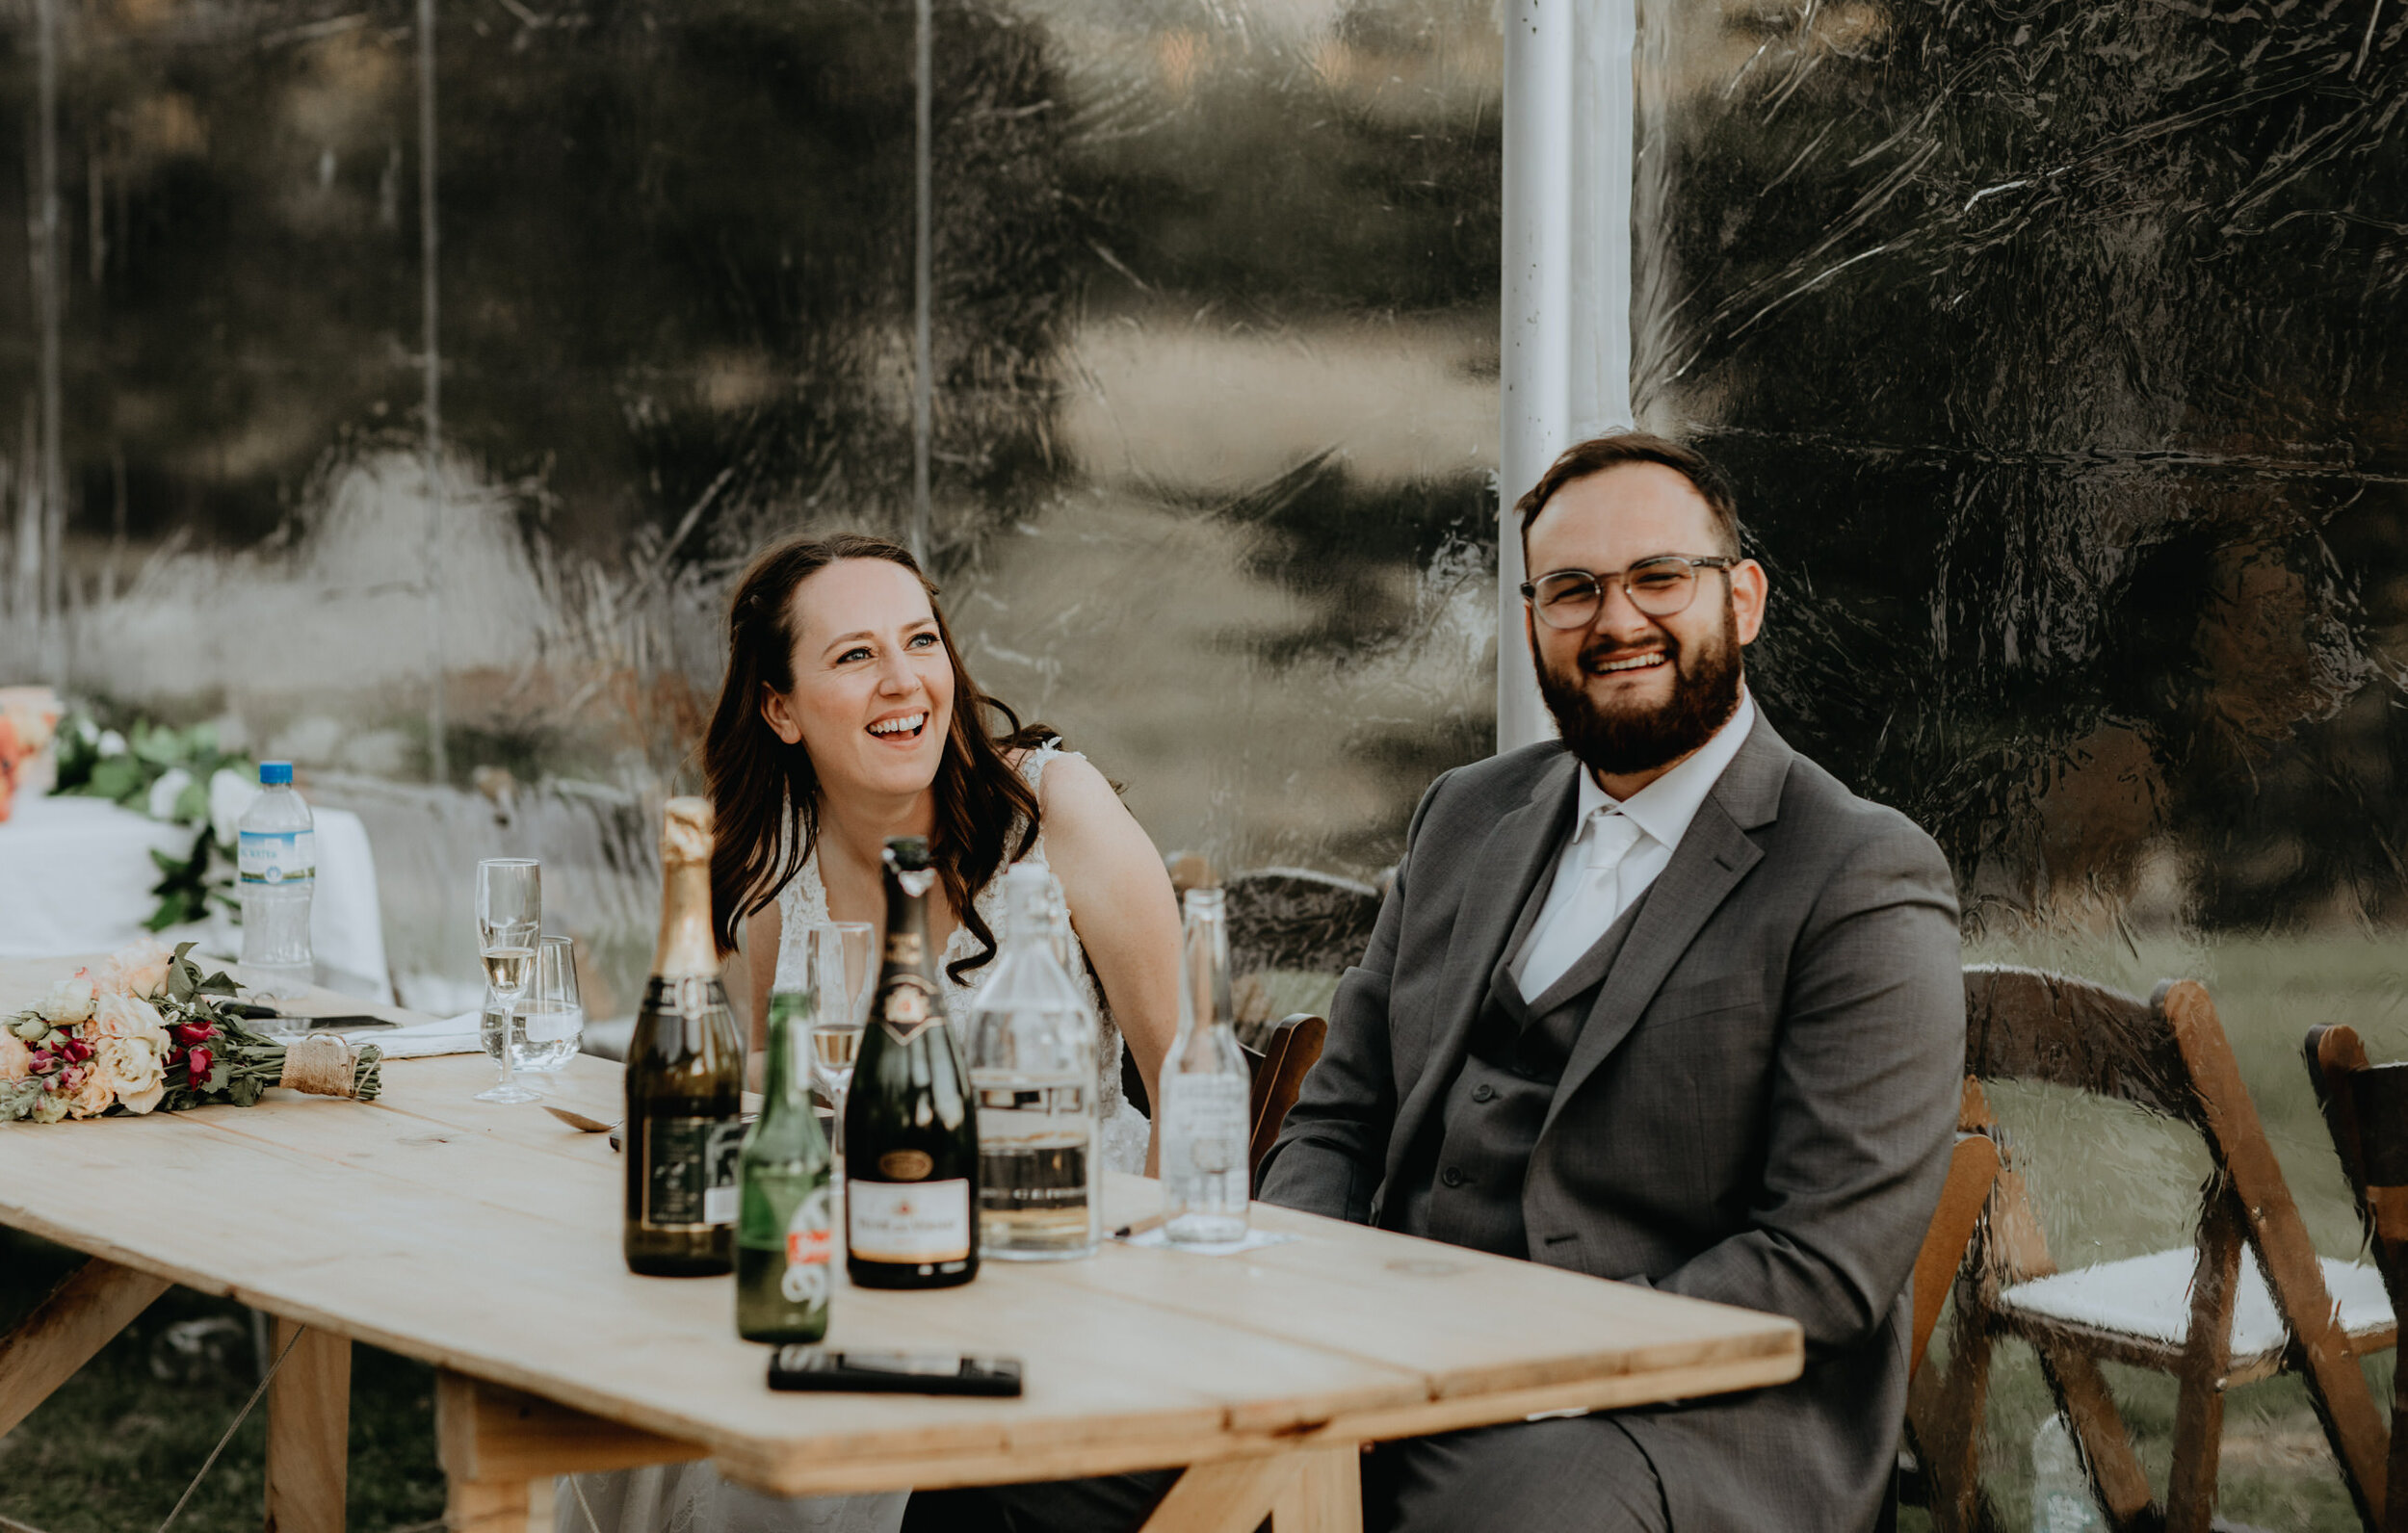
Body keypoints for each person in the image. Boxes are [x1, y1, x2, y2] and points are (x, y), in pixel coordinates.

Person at [1250, 432, 1966, 1532]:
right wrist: (1301, 1309)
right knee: (1058, 1471)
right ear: (1533, 619)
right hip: (1383, 1367)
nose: (1616, 620)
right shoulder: (1463, 814)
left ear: (1745, 598)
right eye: (1573, 589)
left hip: (1680, 1419)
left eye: (1656, 578)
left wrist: (1512, 1356)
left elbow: (1820, 1263)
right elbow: (1338, 1118)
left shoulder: (1858, 871)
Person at [563, 531, 1182, 1533]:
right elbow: (765, 1101)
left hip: (1054, 1262)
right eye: (855, 655)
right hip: (845, 1269)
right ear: (780, 707)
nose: (906, 681)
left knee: (769, 1452)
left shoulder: (1055, 812)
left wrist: (1147, 1297)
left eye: (921, 641)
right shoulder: (772, 868)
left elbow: (1185, 1076)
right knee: (646, 1387)